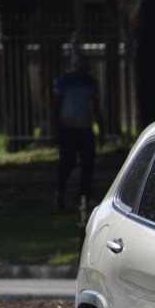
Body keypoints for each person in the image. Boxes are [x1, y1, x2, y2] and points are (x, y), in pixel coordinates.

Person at [52, 54, 103, 211]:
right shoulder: (64, 82)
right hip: (68, 128)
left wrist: (101, 130)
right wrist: (55, 129)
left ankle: (84, 198)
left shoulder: (91, 83)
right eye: (80, 68)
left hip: (85, 128)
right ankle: (60, 192)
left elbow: (96, 108)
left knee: (88, 165)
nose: (82, 71)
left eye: (85, 68)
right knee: (67, 162)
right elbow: (56, 106)